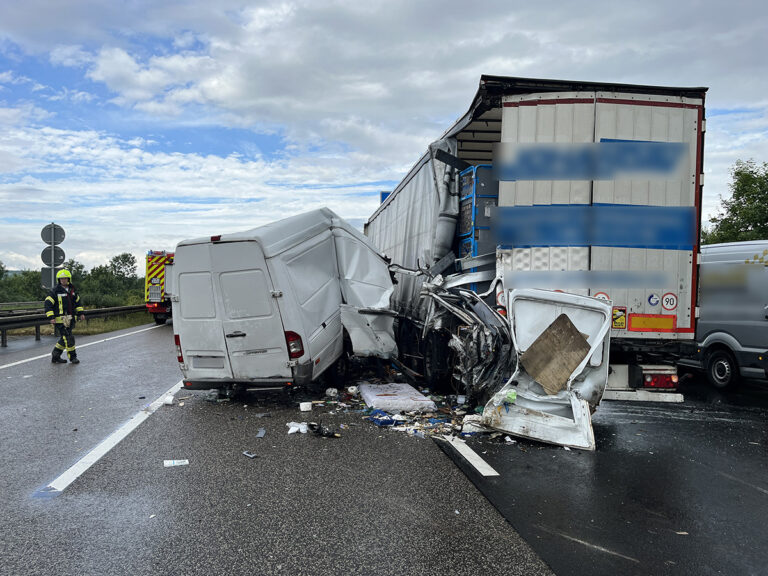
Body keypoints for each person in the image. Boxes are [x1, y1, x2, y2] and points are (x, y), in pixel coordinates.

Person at [44, 269, 85, 364]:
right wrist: (51, 317)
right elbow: (48, 304)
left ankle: (55, 355)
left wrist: (81, 313)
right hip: (60, 319)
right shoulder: (55, 291)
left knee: (64, 338)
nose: (63, 280)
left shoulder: (72, 290)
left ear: (68, 279)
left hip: (70, 318)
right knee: (69, 337)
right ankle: (73, 357)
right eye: (61, 279)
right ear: (59, 280)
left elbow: (78, 302)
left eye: (65, 278)